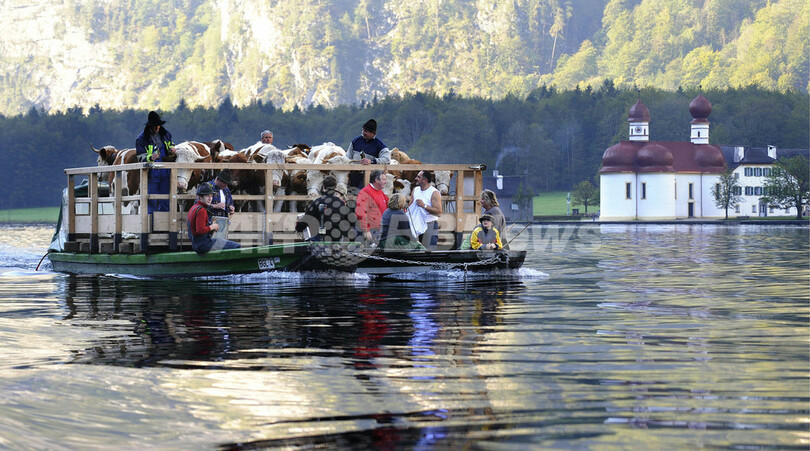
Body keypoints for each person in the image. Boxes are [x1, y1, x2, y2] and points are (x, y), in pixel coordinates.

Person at [295, 175, 357, 242]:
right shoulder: (341, 203)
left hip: (320, 239)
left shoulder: (317, 202)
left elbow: (305, 220)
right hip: (336, 238)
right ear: (335, 187)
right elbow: (352, 220)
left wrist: (298, 227)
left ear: (323, 187)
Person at [136, 111, 175, 213]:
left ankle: (164, 226)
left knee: (166, 199)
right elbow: (140, 157)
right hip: (151, 172)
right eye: (155, 126)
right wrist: (150, 157)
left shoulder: (166, 134)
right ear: (150, 126)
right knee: (151, 200)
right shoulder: (141, 139)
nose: (157, 128)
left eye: (158, 125)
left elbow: (171, 145)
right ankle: (151, 225)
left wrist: (172, 150)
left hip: (165, 170)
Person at [187, 184, 241, 255]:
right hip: (204, 245)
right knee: (237, 246)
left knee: (221, 242)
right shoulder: (201, 210)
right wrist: (212, 227)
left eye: (211, 196)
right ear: (200, 197)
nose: (210, 199)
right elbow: (200, 230)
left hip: (196, 245)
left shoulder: (193, 208)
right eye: (207, 196)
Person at [347, 119, 391, 189]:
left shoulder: (379, 145)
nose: (363, 133)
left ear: (373, 133)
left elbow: (387, 160)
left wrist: (372, 161)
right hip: (353, 175)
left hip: (370, 178)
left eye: (366, 131)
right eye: (363, 130)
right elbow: (347, 158)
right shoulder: (355, 141)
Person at [409, 170, 442, 250]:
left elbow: (439, 212)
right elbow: (410, 206)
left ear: (425, 180)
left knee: (429, 251)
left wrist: (424, 206)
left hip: (429, 224)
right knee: (414, 250)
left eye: (418, 177)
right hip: (415, 224)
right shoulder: (415, 190)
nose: (416, 178)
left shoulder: (434, 192)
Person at [355, 170, 389, 242]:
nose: (385, 182)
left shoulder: (380, 192)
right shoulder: (365, 192)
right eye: (383, 179)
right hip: (370, 232)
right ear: (376, 180)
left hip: (378, 231)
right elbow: (360, 212)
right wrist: (366, 230)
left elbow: (390, 203)